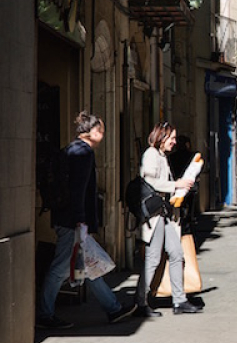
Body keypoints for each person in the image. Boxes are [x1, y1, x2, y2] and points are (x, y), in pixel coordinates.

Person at [37, 112, 136, 329]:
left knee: (90, 266)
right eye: (100, 130)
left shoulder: (71, 149)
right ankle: (44, 314)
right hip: (72, 220)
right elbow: (78, 190)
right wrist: (81, 221)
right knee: (61, 268)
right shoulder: (84, 153)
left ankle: (114, 309)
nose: (103, 134)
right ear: (88, 132)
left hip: (66, 217)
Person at [135, 122, 202, 317]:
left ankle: (179, 300)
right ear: (161, 137)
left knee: (176, 254)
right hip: (155, 216)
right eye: (171, 138)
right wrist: (176, 184)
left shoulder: (162, 156)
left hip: (165, 214)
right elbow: (150, 182)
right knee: (153, 258)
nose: (174, 142)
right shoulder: (151, 155)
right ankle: (140, 302)